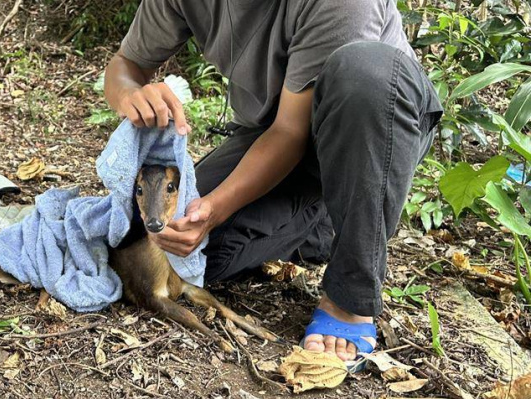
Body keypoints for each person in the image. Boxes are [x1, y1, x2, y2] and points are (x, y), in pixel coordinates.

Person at [104, 0, 443, 364]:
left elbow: (291, 132)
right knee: (178, 252)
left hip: (372, 121)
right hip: (271, 130)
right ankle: (325, 219)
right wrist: (131, 94)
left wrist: (217, 207)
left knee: (362, 72)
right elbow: (126, 65)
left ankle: (351, 296)